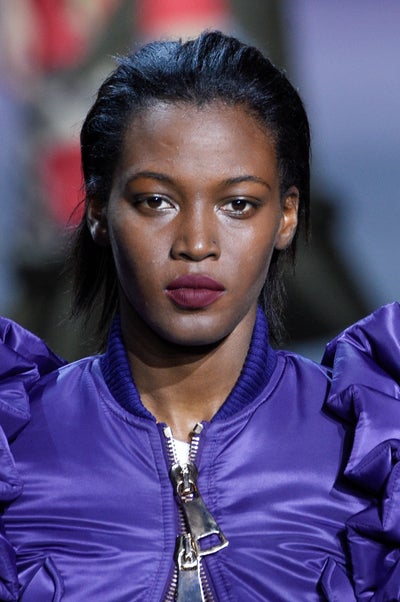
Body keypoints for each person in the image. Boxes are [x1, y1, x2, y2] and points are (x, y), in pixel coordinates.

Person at [0, 30, 399, 601]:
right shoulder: (15, 450)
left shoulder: (374, 450)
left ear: (286, 216)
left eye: (238, 204)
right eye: (156, 201)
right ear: (98, 211)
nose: (196, 243)